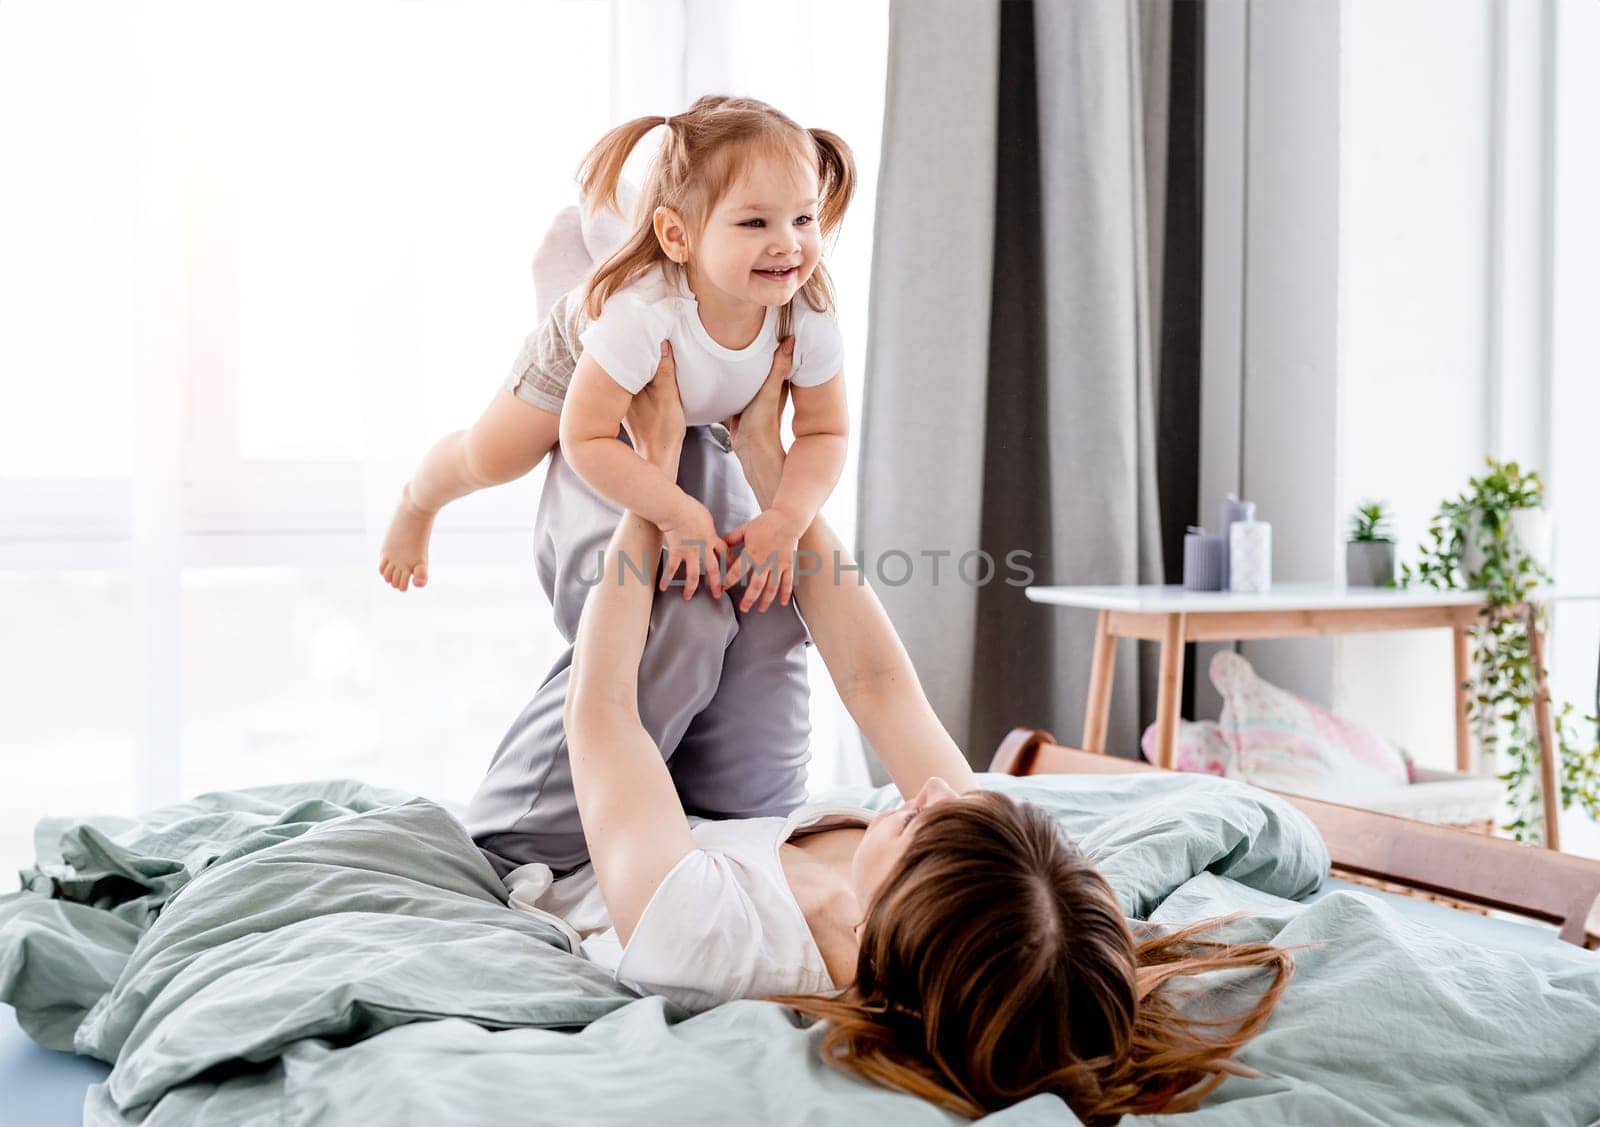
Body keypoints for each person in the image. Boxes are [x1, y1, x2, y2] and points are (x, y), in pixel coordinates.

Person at [553, 334, 1295, 1124]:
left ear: (883, 922)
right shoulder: (975, 871)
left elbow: (602, 715)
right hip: (724, 813)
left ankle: (569, 338)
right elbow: (879, 685)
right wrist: (772, 463)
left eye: (917, 825)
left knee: (681, 522)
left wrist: (652, 486)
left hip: (569, 834)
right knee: (755, 563)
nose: (936, 788)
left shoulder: (705, 939)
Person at [376, 95, 857, 876]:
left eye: (804, 220)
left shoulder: (805, 308)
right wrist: (673, 512)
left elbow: (827, 434)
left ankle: (607, 236)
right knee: (490, 454)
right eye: (756, 223)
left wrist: (786, 517)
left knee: (737, 512)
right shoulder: (640, 314)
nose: (789, 245)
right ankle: (419, 495)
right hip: (587, 365)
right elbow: (587, 439)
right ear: (679, 235)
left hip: (711, 386)